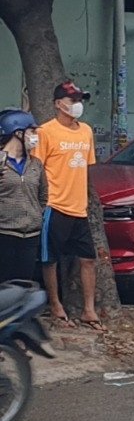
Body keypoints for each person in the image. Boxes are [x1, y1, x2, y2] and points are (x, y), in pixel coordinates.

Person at [34, 80, 100, 330]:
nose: (77, 105)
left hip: (79, 207)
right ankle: (55, 305)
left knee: (88, 259)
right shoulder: (45, 132)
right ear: (58, 104)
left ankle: (89, 309)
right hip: (55, 205)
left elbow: (87, 168)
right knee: (50, 259)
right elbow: (36, 169)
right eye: (72, 100)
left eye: (79, 100)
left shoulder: (86, 131)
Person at [0, 110, 46, 284]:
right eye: (31, 132)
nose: (35, 137)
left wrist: (36, 215)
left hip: (30, 236)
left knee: (24, 285)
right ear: (18, 134)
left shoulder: (35, 164)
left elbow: (43, 195)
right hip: (4, 234)